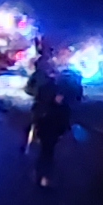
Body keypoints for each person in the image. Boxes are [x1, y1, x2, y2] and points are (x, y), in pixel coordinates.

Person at [25, 45, 82, 188]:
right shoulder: (53, 84)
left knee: (48, 148)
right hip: (51, 120)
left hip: (49, 120)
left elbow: (35, 95)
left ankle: (43, 173)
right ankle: (44, 174)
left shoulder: (51, 84)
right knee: (48, 148)